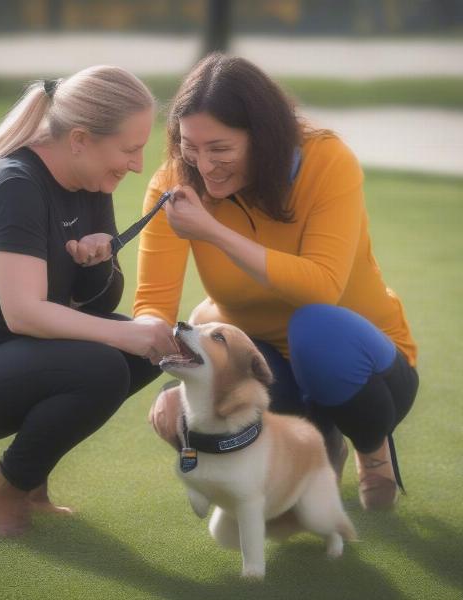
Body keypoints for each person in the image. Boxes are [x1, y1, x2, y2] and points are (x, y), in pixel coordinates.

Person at [134, 54, 419, 511]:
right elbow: (153, 302)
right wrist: (177, 382)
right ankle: (322, 446)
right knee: (189, 398)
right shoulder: (175, 184)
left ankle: (373, 449)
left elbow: (322, 286)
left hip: (368, 366)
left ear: (263, 138)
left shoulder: (327, 160)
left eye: (220, 148)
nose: (204, 166)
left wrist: (212, 232)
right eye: (191, 147)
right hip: (270, 365)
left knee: (316, 327)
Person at [0, 66, 177, 537]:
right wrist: (130, 333)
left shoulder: (90, 181)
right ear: (79, 139)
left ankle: (30, 483)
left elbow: (94, 304)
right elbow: (24, 312)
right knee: (110, 361)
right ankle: (4, 487)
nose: (137, 165)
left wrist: (98, 261)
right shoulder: (17, 184)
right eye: (130, 149)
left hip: (14, 359)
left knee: (138, 357)